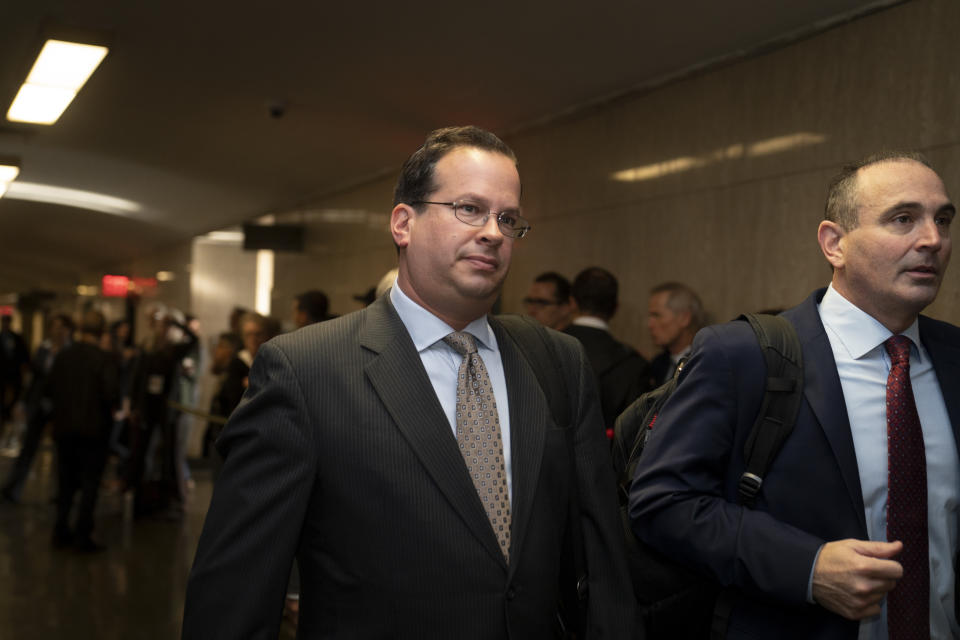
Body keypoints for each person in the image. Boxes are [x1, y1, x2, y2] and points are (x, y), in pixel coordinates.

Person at [183, 125, 634, 638]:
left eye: (507, 219)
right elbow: (235, 592)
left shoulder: (557, 361)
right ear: (403, 223)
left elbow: (599, 561)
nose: (492, 231)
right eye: (469, 209)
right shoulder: (305, 371)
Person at [629, 151, 959, 639]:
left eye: (943, 220)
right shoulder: (742, 355)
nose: (932, 240)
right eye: (903, 219)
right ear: (835, 243)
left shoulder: (953, 358)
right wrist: (808, 567)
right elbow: (662, 502)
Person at [47, 310, 118, 551]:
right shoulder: (103, 359)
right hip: (93, 431)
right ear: (101, 332)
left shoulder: (64, 356)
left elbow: (51, 389)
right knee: (90, 484)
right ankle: (82, 534)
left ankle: (60, 530)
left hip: (64, 429)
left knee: (65, 483)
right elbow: (111, 394)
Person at [565, 267, 652, 433]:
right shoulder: (633, 365)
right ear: (615, 308)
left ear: (572, 302)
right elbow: (635, 433)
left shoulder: (541, 347)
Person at [2, 313, 73, 503]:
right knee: (28, 447)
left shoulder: (71, 352)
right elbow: (33, 379)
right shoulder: (44, 349)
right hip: (40, 404)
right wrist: (23, 402)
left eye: (61, 327)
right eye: (54, 327)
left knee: (62, 453)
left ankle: (61, 492)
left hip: (61, 406)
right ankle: (13, 488)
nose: (57, 331)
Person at [646, 281, 703, 385]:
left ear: (685, 318)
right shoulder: (657, 363)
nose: (650, 325)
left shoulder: (701, 364)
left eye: (657, 315)